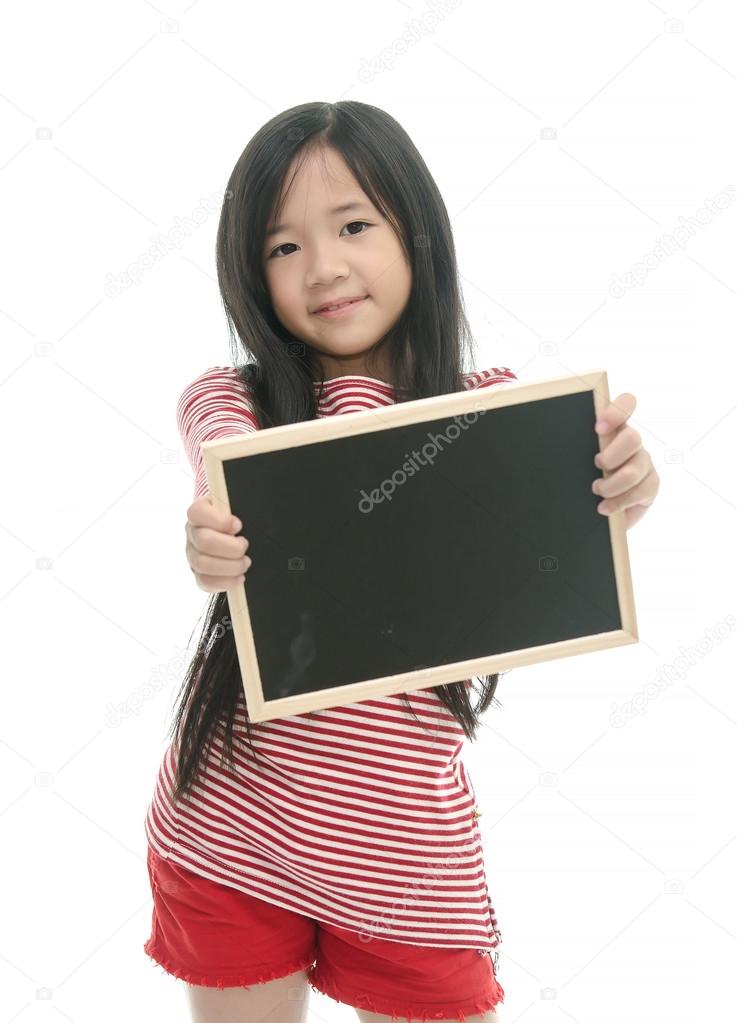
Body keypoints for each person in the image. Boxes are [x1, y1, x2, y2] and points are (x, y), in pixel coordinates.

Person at [142, 101, 660, 1023]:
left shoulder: (491, 411)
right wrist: (208, 537)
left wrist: (624, 481)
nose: (326, 266)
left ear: (414, 234)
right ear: (250, 275)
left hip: (405, 856)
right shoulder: (236, 401)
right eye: (282, 246)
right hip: (231, 827)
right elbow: (216, 479)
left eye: (352, 226)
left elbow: (573, 506)